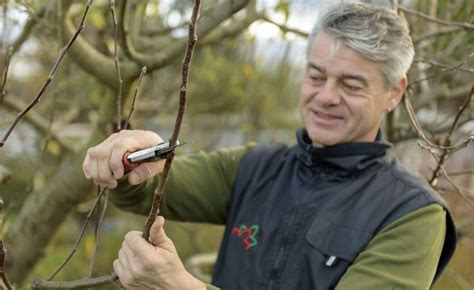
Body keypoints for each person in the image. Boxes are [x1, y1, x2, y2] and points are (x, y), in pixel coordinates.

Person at [82, 2, 456, 290]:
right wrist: (131, 159)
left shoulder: (412, 215)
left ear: (394, 92)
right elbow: (146, 189)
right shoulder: (256, 167)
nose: (326, 96)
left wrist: (182, 286)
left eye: (351, 85)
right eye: (316, 75)